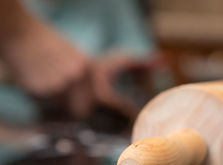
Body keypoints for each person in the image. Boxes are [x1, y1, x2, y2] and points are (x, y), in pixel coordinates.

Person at [0, 0, 159, 121]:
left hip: (93, 117)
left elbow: (142, 56)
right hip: (15, 119)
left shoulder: (115, 4)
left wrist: (111, 67)